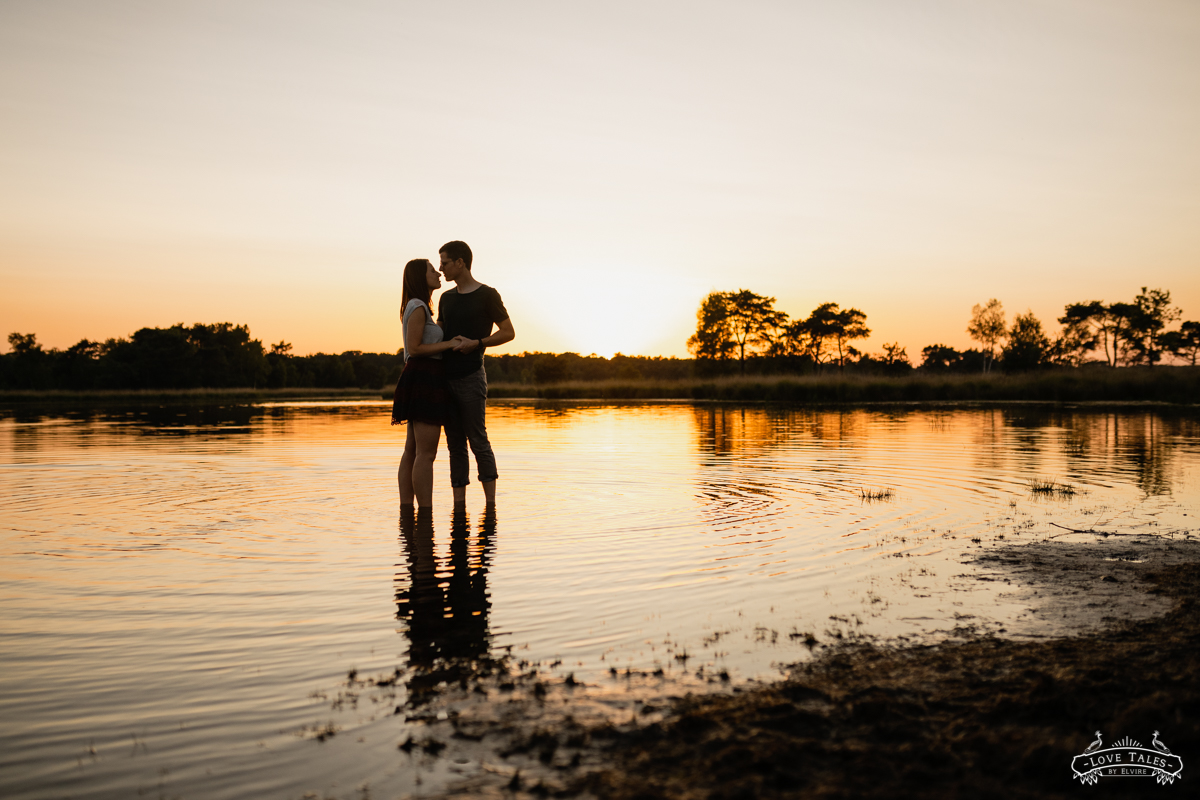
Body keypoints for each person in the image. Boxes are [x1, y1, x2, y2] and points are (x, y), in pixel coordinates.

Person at [437, 241, 515, 506]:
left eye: (445, 263)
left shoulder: (488, 295)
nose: (441, 269)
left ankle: (491, 507)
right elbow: (440, 334)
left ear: (460, 262)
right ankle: (459, 506)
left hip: (472, 377)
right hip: (445, 380)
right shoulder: (445, 297)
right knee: (454, 445)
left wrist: (478, 343)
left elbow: (508, 332)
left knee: (478, 440)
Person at [392, 258, 466, 507]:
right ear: (418, 277)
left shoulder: (417, 306)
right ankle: (425, 513)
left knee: (412, 449)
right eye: (432, 270)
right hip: (424, 377)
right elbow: (414, 348)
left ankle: (406, 511)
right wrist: (449, 343)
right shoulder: (419, 307)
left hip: (419, 376)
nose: (438, 273)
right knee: (426, 453)